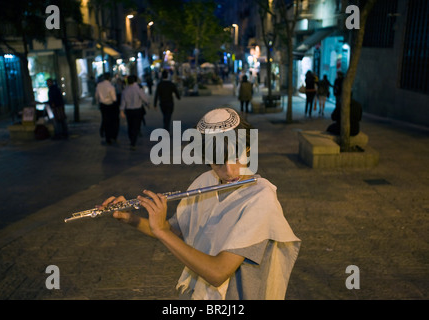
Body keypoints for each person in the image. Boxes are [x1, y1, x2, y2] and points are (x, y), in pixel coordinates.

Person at [101, 108, 301, 300]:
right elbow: (170, 229)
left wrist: (162, 232)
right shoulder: (205, 181)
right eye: (218, 163)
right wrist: (131, 218)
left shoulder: (260, 196)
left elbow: (217, 273)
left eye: (236, 157)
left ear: (247, 149)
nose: (230, 172)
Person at [120, 75, 149, 150]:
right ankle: (133, 142)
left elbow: (123, 102)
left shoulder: (125, 91)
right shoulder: (138, 89)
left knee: (130, 125)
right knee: (136, 126)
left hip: (129, 110)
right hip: (137, 110)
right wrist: (147, 103)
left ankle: (131, 140)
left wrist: (122, 111)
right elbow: (144, 97)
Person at [95, 73, 118, 145]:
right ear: (110, 78)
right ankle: (111, 136)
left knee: (105, 119)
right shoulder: (111, 87)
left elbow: (96, 95)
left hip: (102, 105)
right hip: (110, 105)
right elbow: (114, 98)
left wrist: (98, 102)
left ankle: (106, 135)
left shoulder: (99, 85)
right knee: (111, 121)